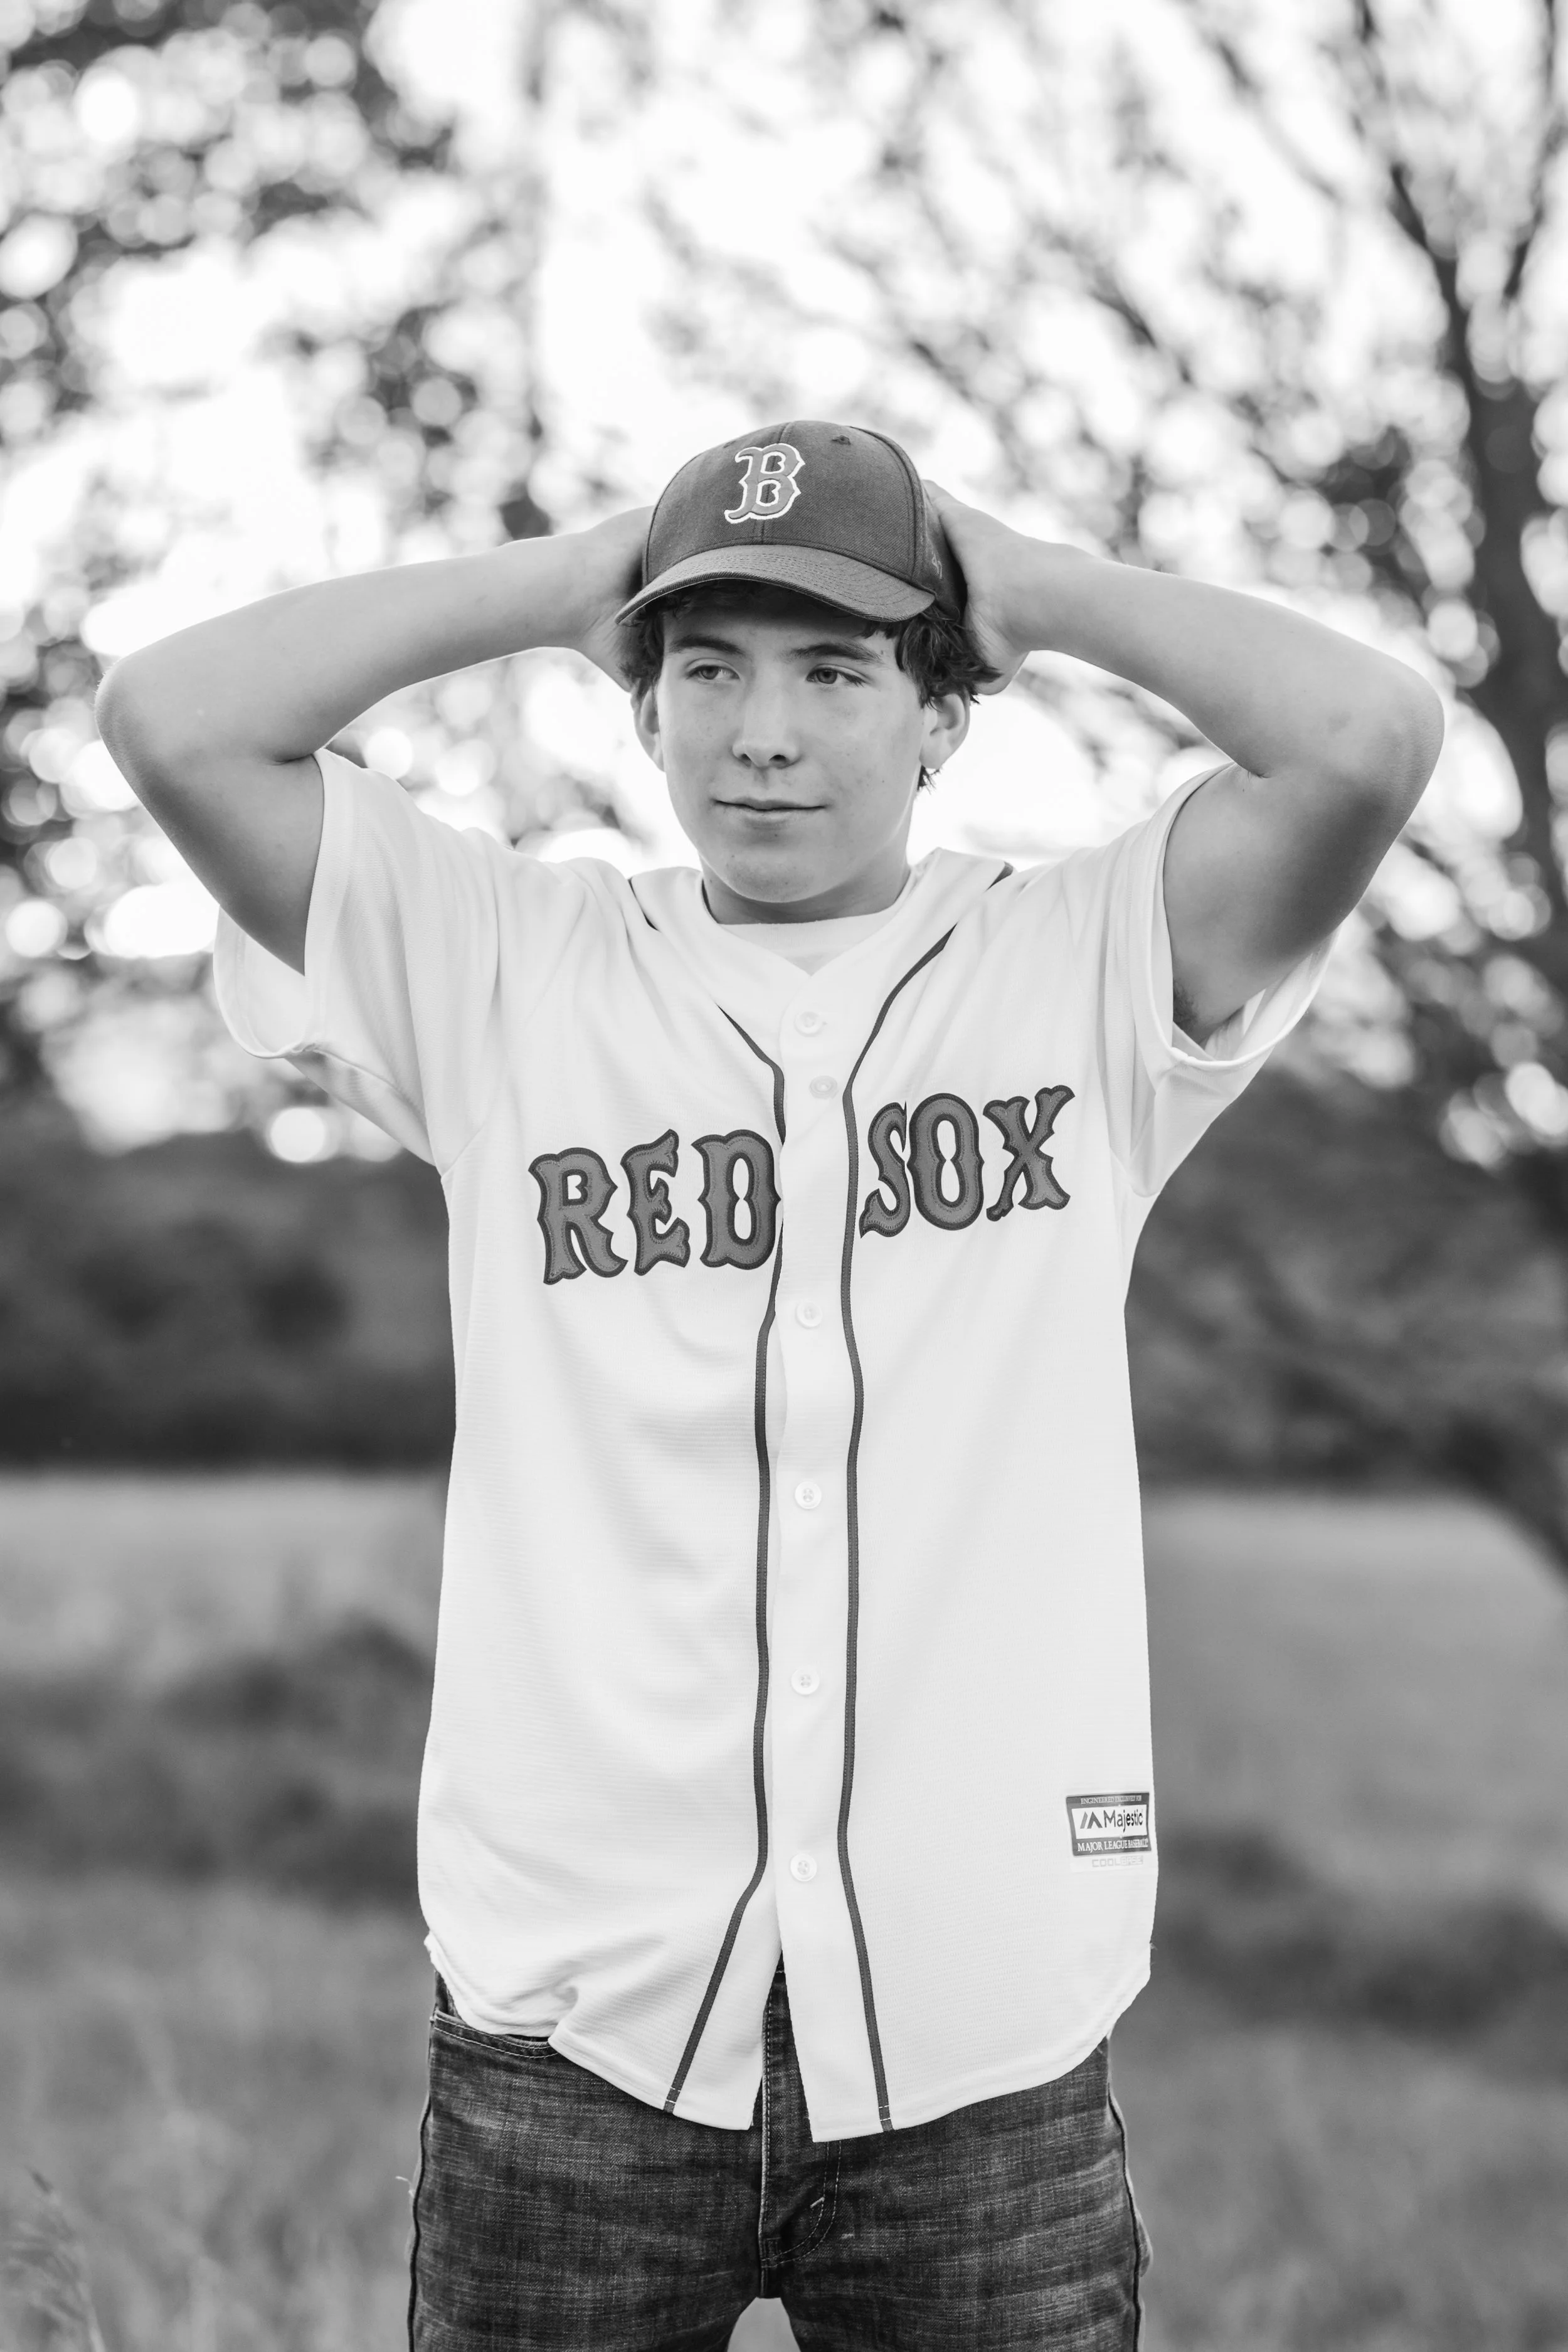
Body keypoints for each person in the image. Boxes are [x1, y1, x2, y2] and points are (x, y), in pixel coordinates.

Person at [98, 419, 1443, 2350]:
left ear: (940, 712)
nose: (763, 733)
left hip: (978, 2042)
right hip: (576, 2031)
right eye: (707, 666)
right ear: (640, 707)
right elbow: (175, 716)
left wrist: (1032, 585)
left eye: (836, 667)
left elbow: (1368, 741)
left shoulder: (1080, 961)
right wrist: (578, 578)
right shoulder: (506, 968)